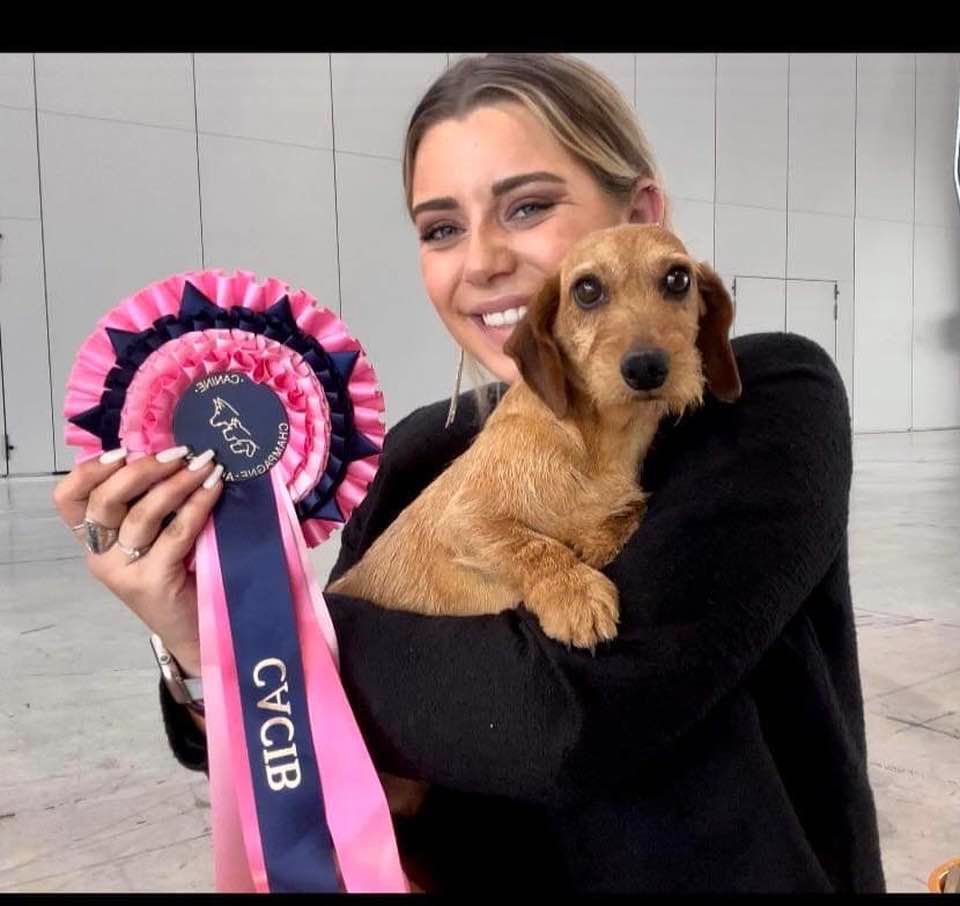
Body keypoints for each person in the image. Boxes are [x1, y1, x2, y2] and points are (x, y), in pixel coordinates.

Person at [53, 53, 886, 893]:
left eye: (527, 206)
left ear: (639, 211)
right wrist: (212, 646)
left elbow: (560, 721)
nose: (481, 261)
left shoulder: (767, 401)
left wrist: (292, 641)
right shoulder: (419, 452)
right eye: (441, 228)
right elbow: (317, 760)